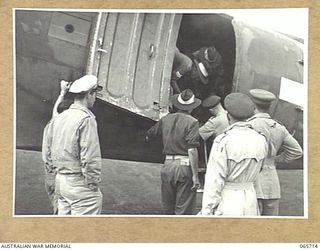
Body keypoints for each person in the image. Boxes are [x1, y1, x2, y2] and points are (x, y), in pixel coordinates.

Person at [199, 93, 268, 216]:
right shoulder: (261, 139)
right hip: (251, 199)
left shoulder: (223, 141)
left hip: (228, 200)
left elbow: (214, 179)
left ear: (228, 115)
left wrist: (207, 210)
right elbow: (259, 172)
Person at [45, 74, 103, 215]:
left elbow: (48, 151)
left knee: (64, 229)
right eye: (95, 94)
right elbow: (90, 157)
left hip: (60, 181)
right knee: (83, 232)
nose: (95, 99)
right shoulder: (86, 119)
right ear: (89, 94)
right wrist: (93, 183)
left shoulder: (59, 118)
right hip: (78, 184)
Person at [247, 88, 303, 216]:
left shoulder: (249, 125)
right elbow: (297, 151)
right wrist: (275, 159)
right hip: (272, 184)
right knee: (271, 225)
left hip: (253, 180)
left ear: (253, 104)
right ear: (269, 106)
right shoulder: (279, 127)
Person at [147, 89, 201, 215]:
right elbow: (192, 150)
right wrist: (195, 176)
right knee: (183, 209)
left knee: (167, 208)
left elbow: (150, 135)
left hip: (167, 165)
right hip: (184, 166)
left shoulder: (165, 119)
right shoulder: (193, 122)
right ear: (191, 108)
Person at [42, 80, 73, 214]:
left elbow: (56, 110)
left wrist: (63, 92)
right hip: (56, 175)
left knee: (60, 207)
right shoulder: (61, 128)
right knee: (60, 210)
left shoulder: (55, 122)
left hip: (50, 173)